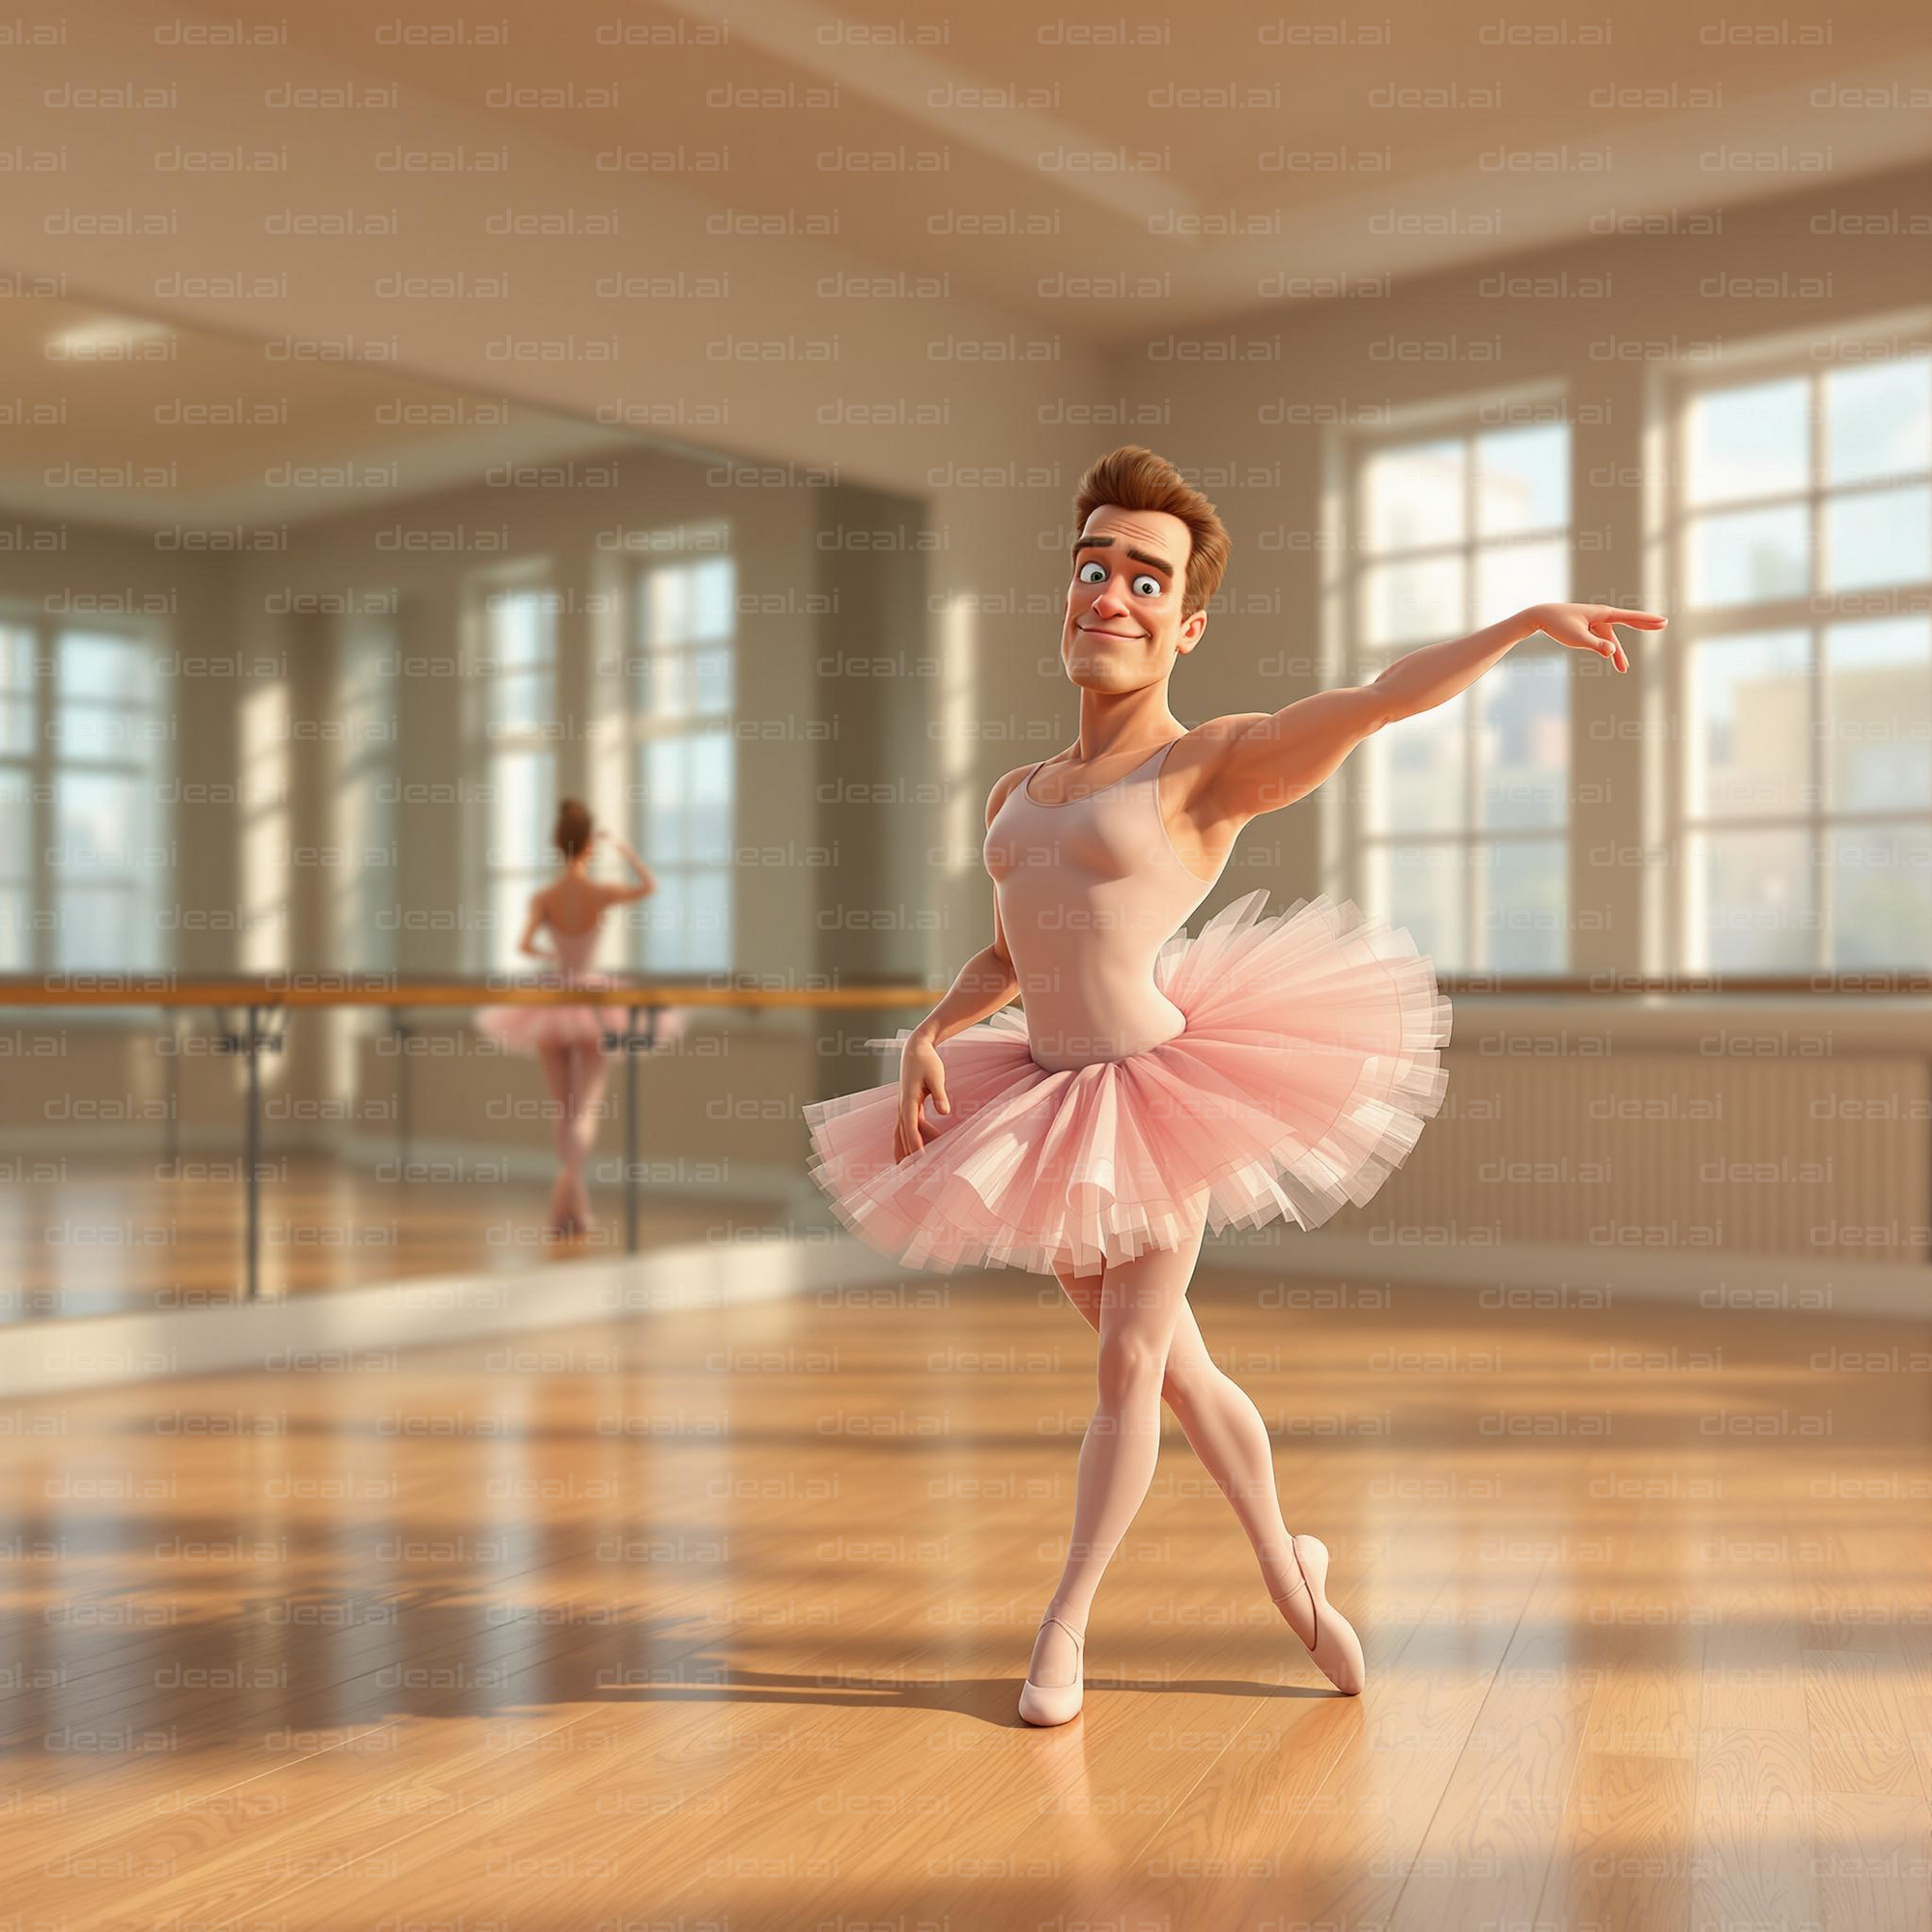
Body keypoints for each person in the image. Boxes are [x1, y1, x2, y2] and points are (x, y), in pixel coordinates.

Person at [803, 444, 1665, 1725]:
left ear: (1187, 623)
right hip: (1042, 1109)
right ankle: (1295, 1575)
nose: (1109, 594)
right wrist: (938, 1025)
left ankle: (1064, 1631)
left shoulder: (1205, 768)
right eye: (1093, 566)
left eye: (1145, 580)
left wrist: (1527, 623)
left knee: (1127, 1371)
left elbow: (1376, 700)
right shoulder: (1017, 793)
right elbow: (1017, 944)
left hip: (1153, 1102)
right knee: (1178, 1378)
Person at [476, 799, 680, 1238]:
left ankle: (570, 1198)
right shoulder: (599, 893)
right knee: (584, 1110)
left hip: (552, 997)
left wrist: (552, 953)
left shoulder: (546, 897)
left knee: (562, 1109)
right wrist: (625, 851)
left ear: (558, 845)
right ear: (588, 845)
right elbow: (648, 886)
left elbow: (525, 945)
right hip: (592, 999)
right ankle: (568, 1190)